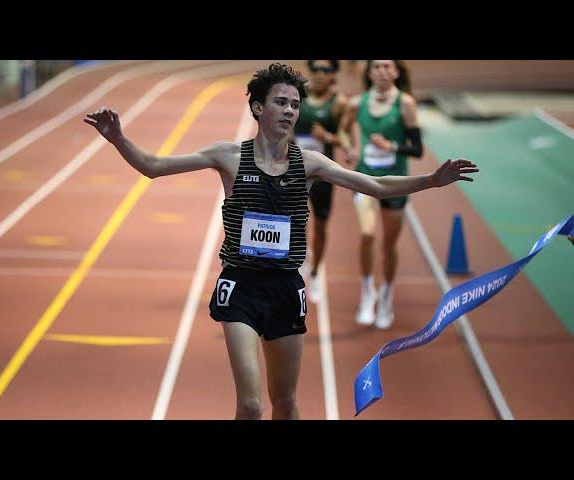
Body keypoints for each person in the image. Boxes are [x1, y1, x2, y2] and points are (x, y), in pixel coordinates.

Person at [83, 63, 478, 420]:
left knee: (285, 403)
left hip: (287, 287)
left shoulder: (310, 163)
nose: (290, 111)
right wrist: (118, 138)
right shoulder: (228, 156)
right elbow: (154, 167)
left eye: (295, 105)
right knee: (251, 406)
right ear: (258, 108)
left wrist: (428, 181)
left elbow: (374, 186)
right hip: (240, 286)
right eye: (281, 102)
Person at [341, 60, 424, 330]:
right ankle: (368, 292)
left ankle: (386, 295)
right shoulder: (356, 104)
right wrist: (351, 147)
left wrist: (392, 146)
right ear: (369, 72)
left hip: (396, 182)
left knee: (388, 245)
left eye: (387, 66)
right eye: (376, 66)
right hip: (366, 177)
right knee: (366, 234)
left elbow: (417, 149)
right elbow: (342, 129)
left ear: (396, 72)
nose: (381, 71)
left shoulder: (405, 104)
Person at [292, 60, 350, 303]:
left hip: (324, 173)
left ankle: (316, 273)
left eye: (325, 70)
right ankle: (301, 258)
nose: (318, 74)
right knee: (296, 219)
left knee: (321, 224)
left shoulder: (339, 103)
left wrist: (327, 136)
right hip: (295, 169)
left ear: (333, 74)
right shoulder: (298, 98)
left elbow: (344, 138)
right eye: (315, 69)